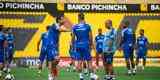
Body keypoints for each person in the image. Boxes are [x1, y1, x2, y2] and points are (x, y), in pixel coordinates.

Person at [72, 12, 98, 80]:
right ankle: (92, 75)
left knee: (79, 61)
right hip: (86, 45)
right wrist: (91, 45)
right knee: (89, 61)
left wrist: (73, 46)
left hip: (78, 45)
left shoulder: (75, 27)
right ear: (84, 17)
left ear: (78, 18)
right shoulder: (87, 26)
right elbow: (90, 37)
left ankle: (81, 76)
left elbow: (73, 38)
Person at [47, 14, 72, 80]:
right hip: (51, 45)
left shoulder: (59, 25)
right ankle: (50, 74)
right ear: (58, 20)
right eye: (62, 19)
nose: (63, 20)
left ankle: (53, 75)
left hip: (55, 45)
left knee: (56, 61)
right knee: (56, 59)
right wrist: (70, 30)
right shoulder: (54, 25)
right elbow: (61, 30)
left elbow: (63, 27)